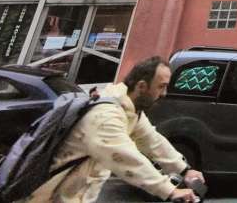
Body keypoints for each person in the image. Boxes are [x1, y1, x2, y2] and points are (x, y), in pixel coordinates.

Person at [23, 56, 205, 203]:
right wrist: (170, 190)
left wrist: (184, 170)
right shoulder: (105, 115)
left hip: (74, 195)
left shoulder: (128, 110)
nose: (164, 93)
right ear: (142, 86)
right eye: (161, 86)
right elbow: (126, 158)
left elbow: (152, 140)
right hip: (46, 196)